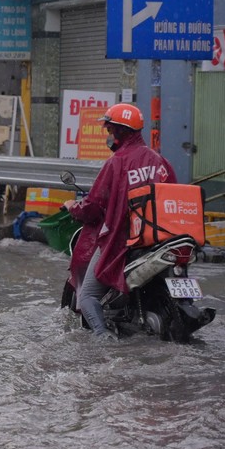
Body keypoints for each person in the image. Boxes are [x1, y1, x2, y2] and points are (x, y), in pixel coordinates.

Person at [63, 103, 176, 342]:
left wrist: (74, 208)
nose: (108, 135)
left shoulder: (117, 163)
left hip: (122, 239)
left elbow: (93, 206)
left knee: (87, 295)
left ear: (120, 131)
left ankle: (103, 337)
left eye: (110, 130)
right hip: (159, 238)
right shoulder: (159, 161)